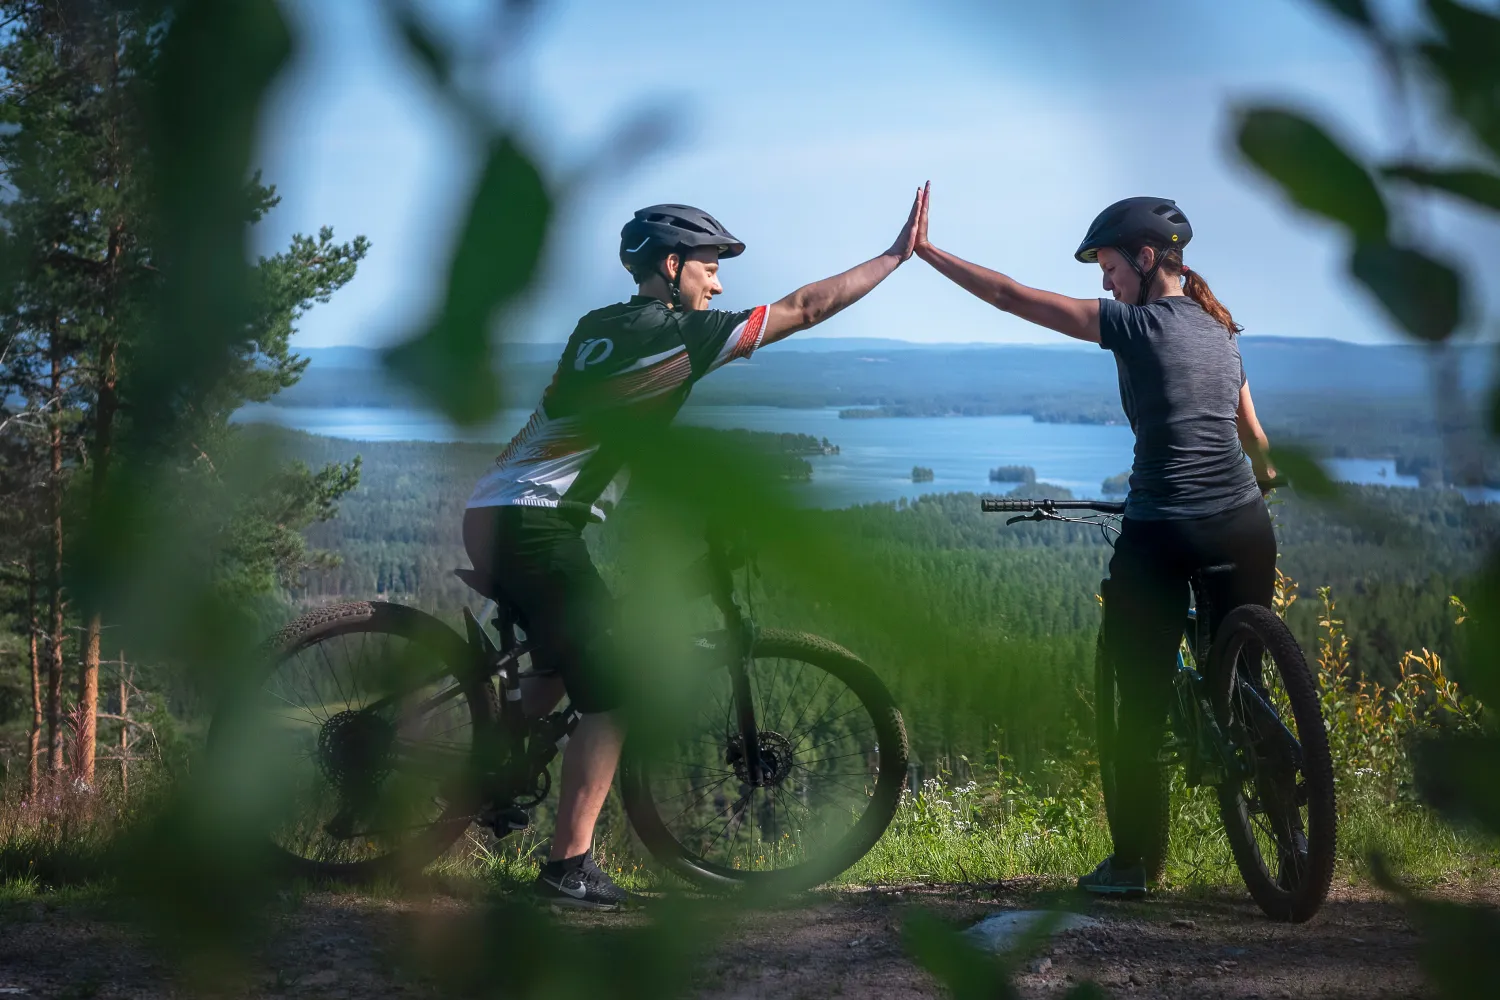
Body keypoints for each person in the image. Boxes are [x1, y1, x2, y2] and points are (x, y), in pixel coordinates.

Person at [463, 190, 927, 909]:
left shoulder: (602, 325)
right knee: (612, 694)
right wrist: (895, 257)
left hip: (496, 510)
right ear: (671, 265)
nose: (717, 283)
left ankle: (490, 767)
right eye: (709, 267)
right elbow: (804, 308)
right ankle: (567, 868)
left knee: (569, 659)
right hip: (537, 521)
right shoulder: (681, 334)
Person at [913, 188, 1283, 896]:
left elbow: (1010, 297)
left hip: (1162, 527)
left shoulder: (1137, 327)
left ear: (1146, 259)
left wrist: (930, 254)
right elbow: (1257, 443)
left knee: (1135, 698)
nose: (1104, 282)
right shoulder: (1221, 328)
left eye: (1109, 266)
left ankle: (1134, 865)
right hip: (1243, 524)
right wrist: (1260, 479)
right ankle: (1293, 841)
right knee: (1246, 689)